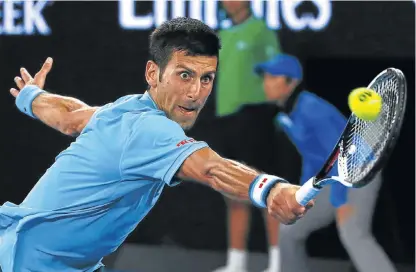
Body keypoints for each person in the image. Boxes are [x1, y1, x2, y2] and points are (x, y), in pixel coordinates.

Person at [0, 18, 313, 272]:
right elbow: (212, 169)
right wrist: (270, 189)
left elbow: (71, 117)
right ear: (153, 72)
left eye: (207, 78)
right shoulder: (149, 129)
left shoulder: (123, 110)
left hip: (36, 253)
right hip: (34, 263)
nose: (196, 92)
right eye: (185, 75)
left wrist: (32, 98)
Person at [254, 53, 397, 272]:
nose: (266, 83)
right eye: (265, 77)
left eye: (273, 77)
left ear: (290, 82)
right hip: (333, 179)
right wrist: (304, 192)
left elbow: (343, 155)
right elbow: (314, 157)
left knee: (352, 233)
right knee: (289, 230)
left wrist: (341, 202)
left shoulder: (311, 109)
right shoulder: (287, 115)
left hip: (359, 173)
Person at [211, 2, 290, 272]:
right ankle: (236, 264)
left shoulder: (261, 31)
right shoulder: (221, 35)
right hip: (226, 120)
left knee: (268, 191)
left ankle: (279, 264)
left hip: (255, 119)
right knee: (232, 192)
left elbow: (277, 77)